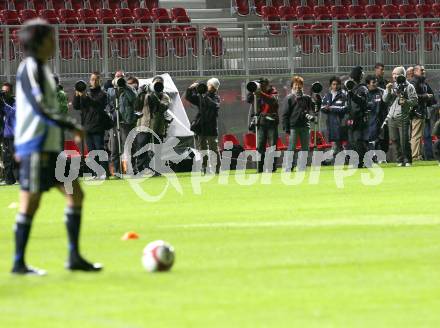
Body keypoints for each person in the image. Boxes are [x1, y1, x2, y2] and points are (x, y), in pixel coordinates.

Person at [12, 19, 102, 275]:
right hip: (36, 147)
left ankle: (74, 257)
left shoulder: (42, 69)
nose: (55, 42)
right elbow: (39, 107)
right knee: (30, 204)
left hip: (50, 147)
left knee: (76, 194)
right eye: (51, 38)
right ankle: (19, 263)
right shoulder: (30, 68)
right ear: (39, 42)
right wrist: (70, 125)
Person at [72, 72, 108, 178]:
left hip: (97, 126)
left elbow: (96, 104)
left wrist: (84, 96)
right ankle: (96, 173)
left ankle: (105, 172)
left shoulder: (102, 94)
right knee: (92, 151)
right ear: (89, 81)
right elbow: (76, 106)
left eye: (96, 79)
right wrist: (76, 94)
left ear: (100, 81)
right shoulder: (86, 93)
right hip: (87, 127)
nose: (94, 81)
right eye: (92, 79)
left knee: (99, 150)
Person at [383, 66, 418, 167]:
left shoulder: (409, 86)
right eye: (393, 74)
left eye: (396, 74)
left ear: (403, 75)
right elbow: (385, 100)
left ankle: (407, 160)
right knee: (394, 140)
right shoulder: (391, 86)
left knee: (404, 140)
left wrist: (406, 102)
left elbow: (415, 101)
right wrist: (388, 90)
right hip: (391, 117)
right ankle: (399, 160)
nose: (394, 76)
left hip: (403, 117)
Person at [136, 75, 172, 174]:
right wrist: (140, 93)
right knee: (141, 149)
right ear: (152, 84)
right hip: (144, 125)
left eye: (160, 84)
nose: (157, 86)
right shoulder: (145, 95)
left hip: (158, 127)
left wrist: (154, 96)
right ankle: (140, 170)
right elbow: (137, 107)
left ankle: (157, 170)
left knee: (157, 150)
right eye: (156, 83)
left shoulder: (165, 96)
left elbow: (162, 108)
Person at [186, 78, 221, 174]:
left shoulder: (216, 98)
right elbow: (189, 98)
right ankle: (203, 167)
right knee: (202, 149)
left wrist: (204, 95)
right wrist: (191, 88)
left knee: (214, 149)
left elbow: (213, 105)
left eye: (209, 85)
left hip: (212, 128)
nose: (206, 86)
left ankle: (216, 168)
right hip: (201, 128)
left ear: (214, 87)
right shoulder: (201, 96)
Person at [106, 70, 138, 176]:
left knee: (128, 147)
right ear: (114, 78)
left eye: (121, 77)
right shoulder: (110, 90)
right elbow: (106, 104)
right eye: (117, 77)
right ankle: (116, 171)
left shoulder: (129, 89)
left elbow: (134, 98)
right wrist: (110, 114)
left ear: (124, 78)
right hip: (114, 123)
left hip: (126, 122)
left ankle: (131, 169)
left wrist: (126, 86)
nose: (119, 79)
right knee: (114, 148)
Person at [282, 75, 315, 170]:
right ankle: (288, 167)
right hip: (293, 127)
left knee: (305, 148)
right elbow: (285, 115)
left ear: (302, 86)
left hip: (305, 126)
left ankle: (302, 167)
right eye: (295, 85)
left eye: (299, 85)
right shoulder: (289, 98)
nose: (297, 87)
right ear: (292, 86)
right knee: (291, 148)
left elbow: (313, 108)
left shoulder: (307, 98)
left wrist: (316, 97)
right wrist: (286, 128)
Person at [247, 78, 279, 173]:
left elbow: (272, 101)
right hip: (261, 123)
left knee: (273, 145)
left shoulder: (273, 91)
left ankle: (272, 167)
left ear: (267, 84)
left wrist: (260, 93)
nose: (261, 86)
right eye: (260, 85)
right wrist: (253, 91)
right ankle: (260, 168)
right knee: (260, 146)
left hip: (272, 122)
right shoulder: (257, 92)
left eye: (263, 85)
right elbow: (249, 100)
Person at [410, 65, 436, 161]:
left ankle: (418, 155)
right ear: (416, 71)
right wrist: (426, 96)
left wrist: (429, 99)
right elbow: (413, 97)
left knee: (420, 135)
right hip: (416, 112)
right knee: (416, 135)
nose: (423, 71)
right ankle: (414, 156)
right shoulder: (414, 82)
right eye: (421, 70)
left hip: (422, 112)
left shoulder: (422, 82)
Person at [346, 66, 369, 168]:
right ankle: (355, 161)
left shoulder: (362, 89)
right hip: (351, 118)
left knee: (359, 140)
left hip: (359, 118)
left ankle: (361, 162)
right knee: (352, 142)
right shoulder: (350, 89)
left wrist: (352, 94)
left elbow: (362, 102)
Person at [320, 76, 348, 158]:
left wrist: (332, 108)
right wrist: (326, 109)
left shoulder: (343, 95)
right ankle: (347, 158)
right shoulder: (327, 96)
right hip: (331, 124)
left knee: (337, 145)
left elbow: (345, 108)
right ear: (331, 85)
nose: (335, 86)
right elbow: (322, 107)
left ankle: (328, 160)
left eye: (337, 84)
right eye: (333, 84)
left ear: (340, 85)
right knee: (337, 145)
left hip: (341, 124)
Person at [0, 82, 18, 184]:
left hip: (14, 134)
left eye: (6, 92)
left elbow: (13, 113)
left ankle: (19, 178)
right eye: (2, 92)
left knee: (14, 157)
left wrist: (3, 104)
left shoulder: (15, 101)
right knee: (6, 158)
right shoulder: (2, 104)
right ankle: (9, 180)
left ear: (11, 92)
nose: (4, 94)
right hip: (5, 134)